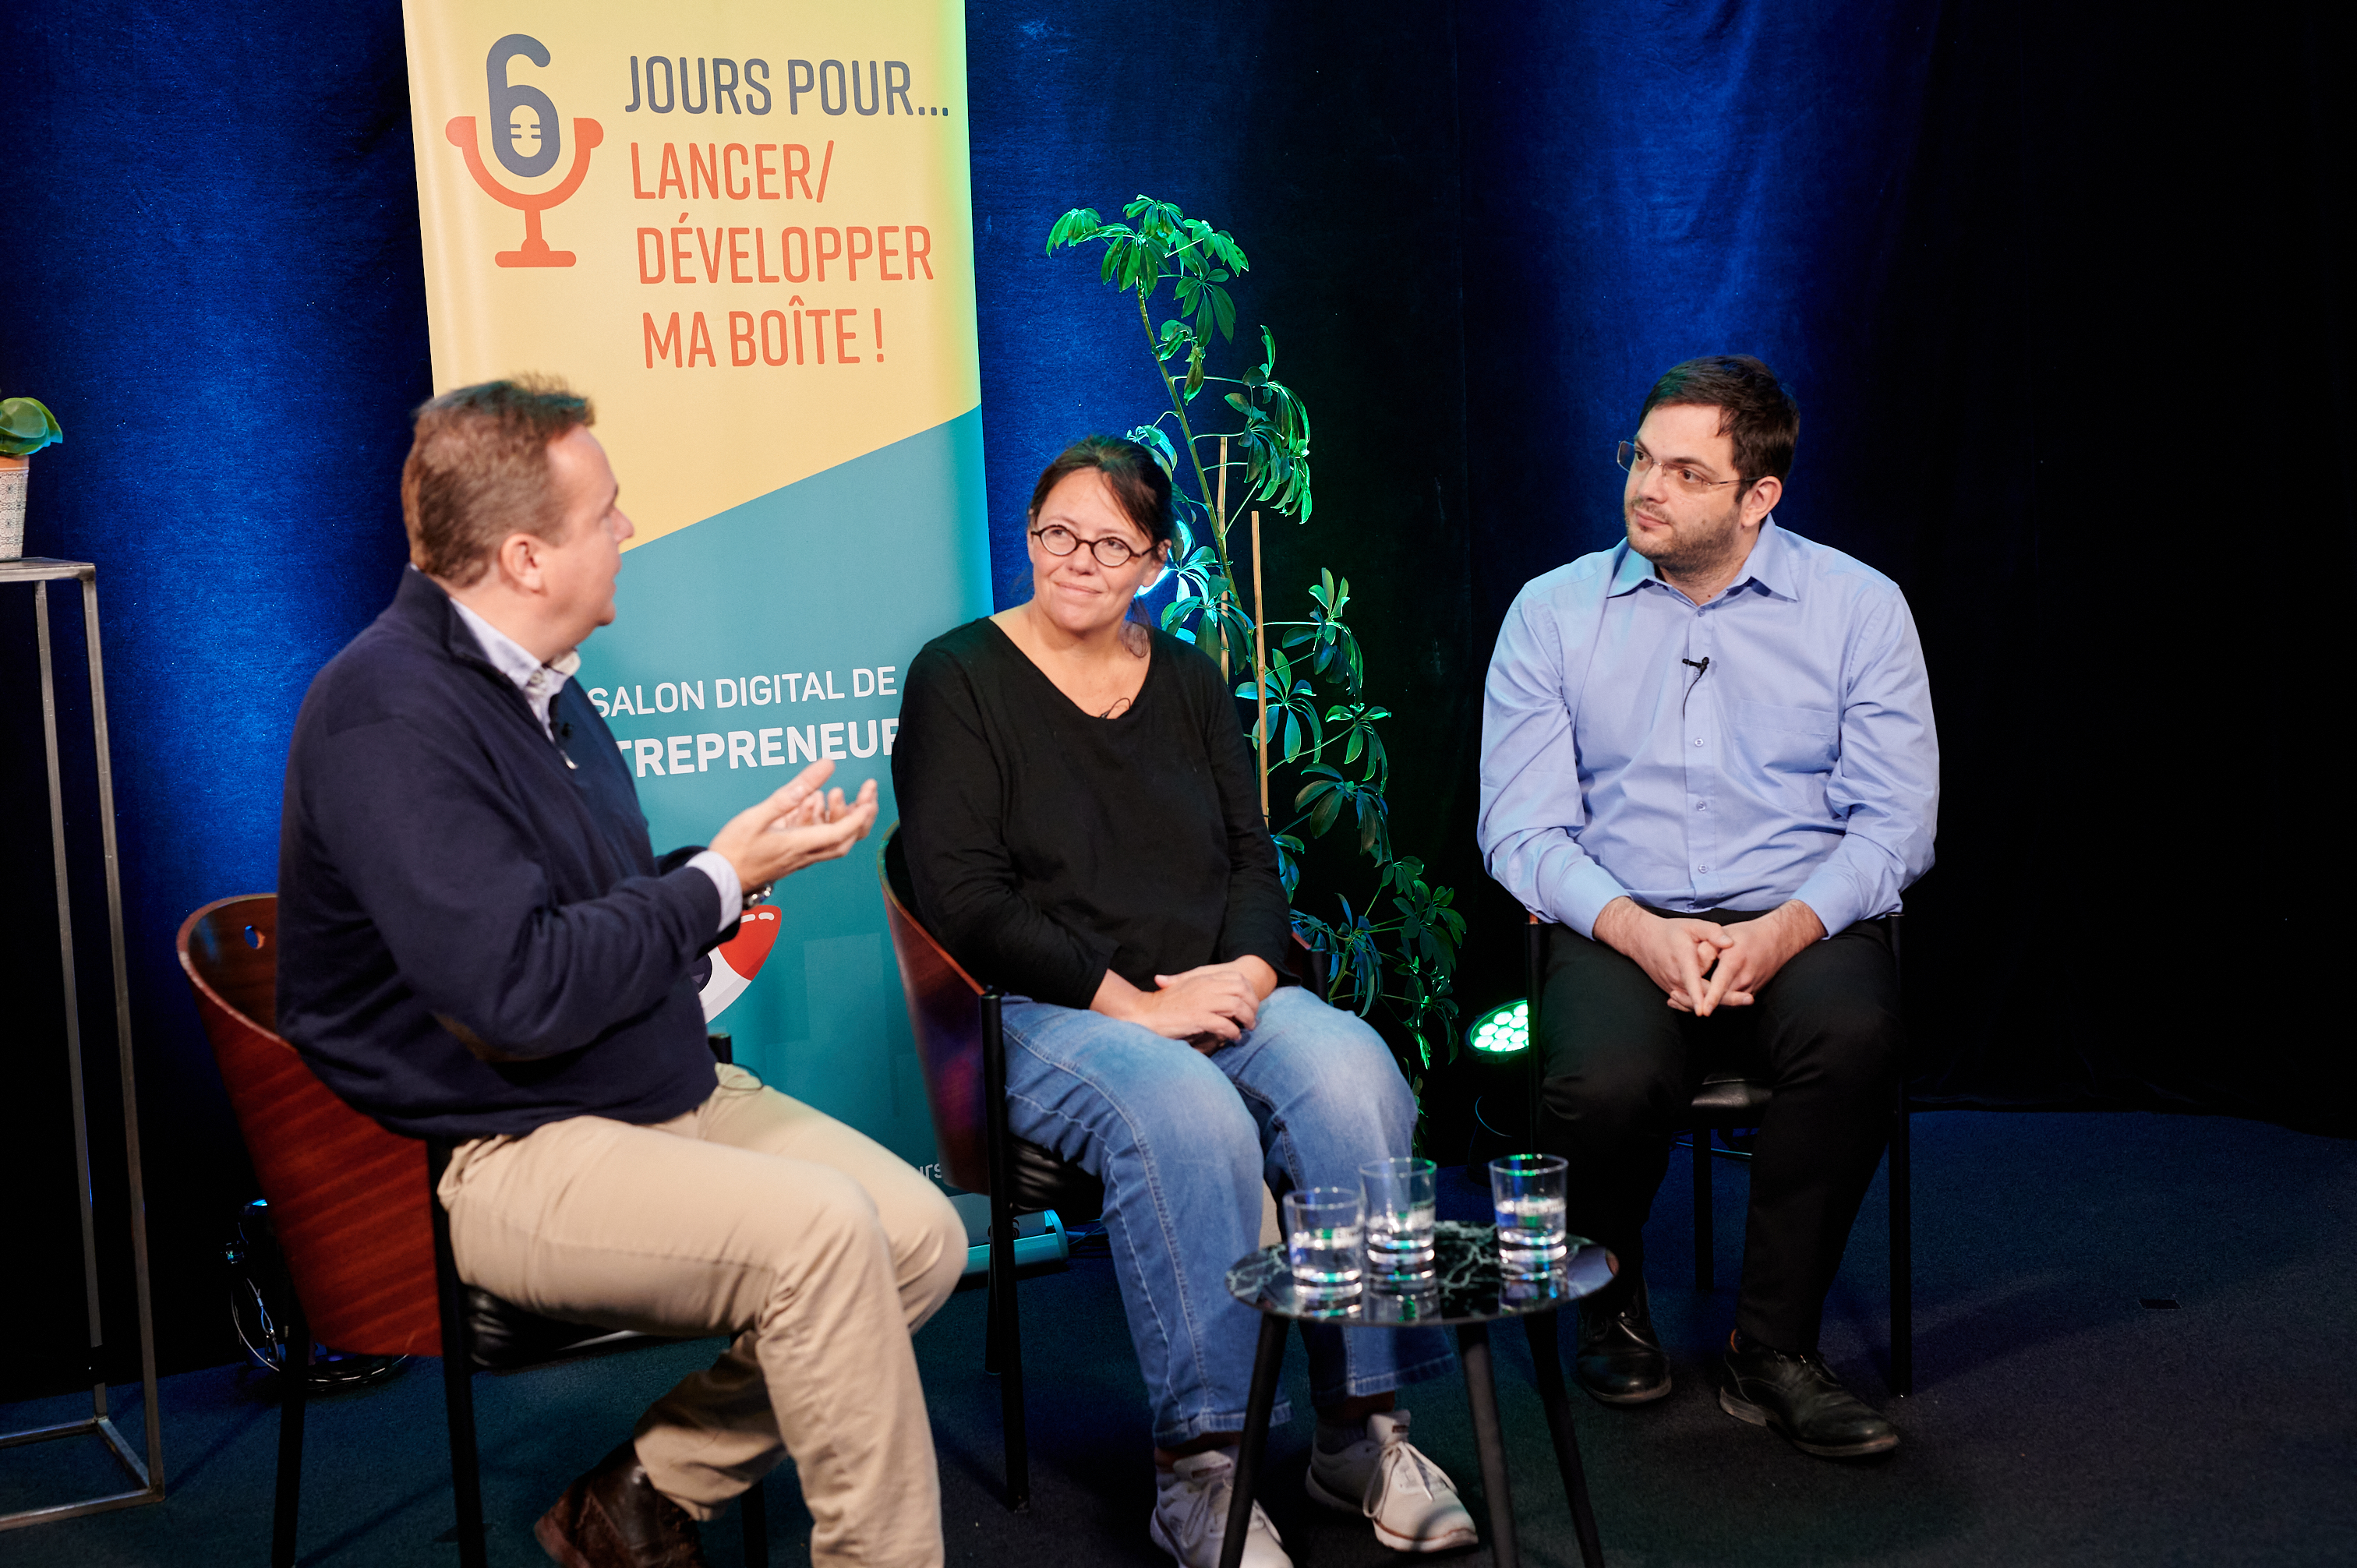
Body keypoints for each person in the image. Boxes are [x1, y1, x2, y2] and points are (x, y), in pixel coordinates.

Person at [276, 378, 964, 1568]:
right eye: (608, 516)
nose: (628, 533)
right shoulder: (385, 715)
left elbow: (587, 913)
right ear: (528, 555)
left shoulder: (543, 687)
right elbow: (516, 992)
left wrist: (734, 868)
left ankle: (646, 1490)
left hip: (640, 1087)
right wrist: (707, 885)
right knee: (824, 1238)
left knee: (922, 1238)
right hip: (506, 1145)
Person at [892, 437, 1475, 1567]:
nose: (1075, 560)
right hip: (1039, 1010)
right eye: (1056, 532)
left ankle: (1360, 1430)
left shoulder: (1193, 678)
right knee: (1188, 1114)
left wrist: (1254, 978)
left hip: (1210, 986)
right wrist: (1126, 1001)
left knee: (1355, 1076)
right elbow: (960, 900)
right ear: (1028, 534)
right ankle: (1200, 1470)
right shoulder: (957, 677)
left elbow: (1255, 861)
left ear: (1155, 564)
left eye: (1110, 543)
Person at [1478, 355, 1937, 1460]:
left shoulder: (1860, 608)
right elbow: (1523, 829)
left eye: (1687, 471)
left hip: (1798, 911)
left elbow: (1895, 825)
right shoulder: (1551, 613)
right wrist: (1636, 927)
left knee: (1856, 1036)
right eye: (1642, 457)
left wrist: (1783, 930)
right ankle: (1611, 1296)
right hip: (1621, 915)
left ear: (1758, 497)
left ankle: (1771, 1350)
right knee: (1599, 1080)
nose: (1649, 486)